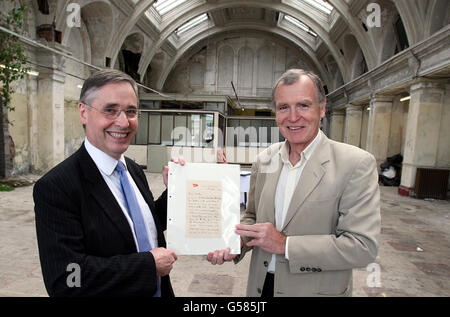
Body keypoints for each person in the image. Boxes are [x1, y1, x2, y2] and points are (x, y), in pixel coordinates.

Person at [207, 69, 380, 297]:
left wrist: (285, 245)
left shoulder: (356, 164)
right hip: (261, 288)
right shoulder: (265, 159)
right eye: (283, 107)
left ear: (322, 108)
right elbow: (253, 218)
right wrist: (234, 243)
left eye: (303, 105)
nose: (293, 117)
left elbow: (362, 247)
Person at [33, 69, 180, 297]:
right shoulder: (57, 187)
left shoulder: (132, 169)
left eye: (131, 111)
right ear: (83, 112)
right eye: (110, 110)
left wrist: (176, 191)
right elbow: (66, 278)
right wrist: (147, 265)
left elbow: (143, 227)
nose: (123, 122)